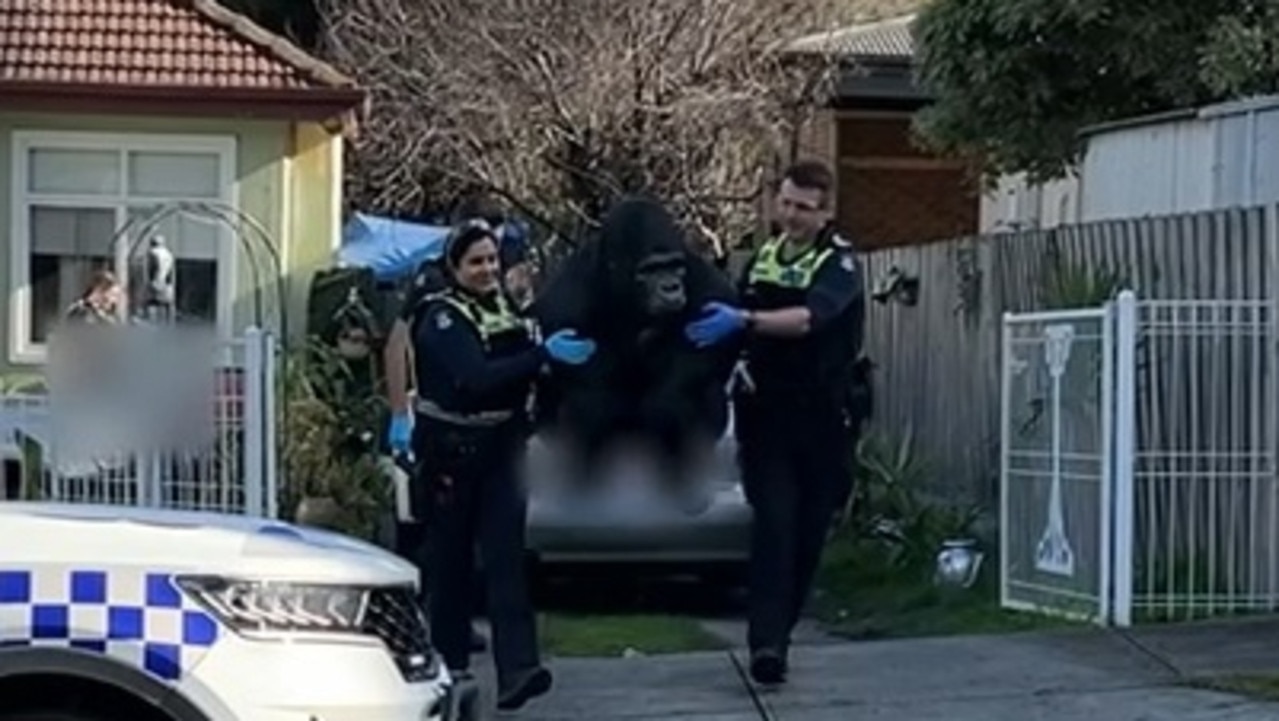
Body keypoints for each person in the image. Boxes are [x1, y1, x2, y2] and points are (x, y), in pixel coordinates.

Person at [683, 160, 865, 686]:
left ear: (825, 211)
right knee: (774, 528)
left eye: (804, 208)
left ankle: (779, 631)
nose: (791, 215)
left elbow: (811, 318)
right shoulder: (763, 257)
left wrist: (746, 320)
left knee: (808, 535)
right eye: (785, 203)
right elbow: (736, 319)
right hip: (767, 416)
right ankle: (767, 646)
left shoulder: (839, 263)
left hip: (823, 418)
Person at [410, 221, 596, 711]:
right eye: (476, 262)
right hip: (454, 450)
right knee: (450, 566)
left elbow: (525, 369)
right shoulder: (441, 318)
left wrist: (554, 364)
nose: (487, 269)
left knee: (506, 559)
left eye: (492, 259)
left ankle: (519, 670)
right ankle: (448, 670)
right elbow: (474, 378)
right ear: (454, 268)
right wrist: (538, 356)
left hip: (503, 448)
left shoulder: (503, 308)